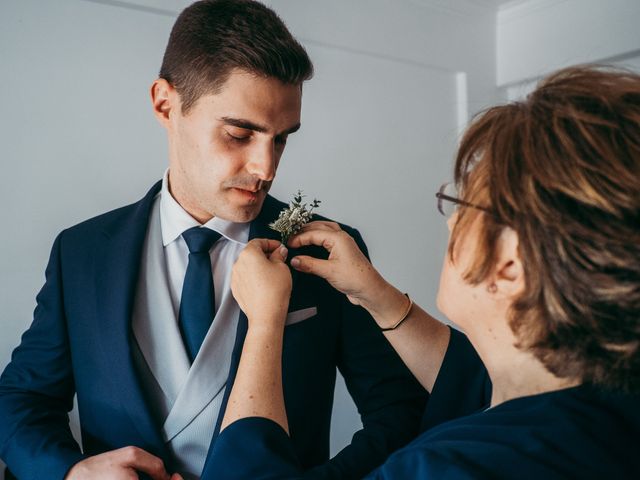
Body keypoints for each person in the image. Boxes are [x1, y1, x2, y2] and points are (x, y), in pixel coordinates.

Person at [0, 1, 427, 479]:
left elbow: (400, 413)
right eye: (240, 133)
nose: (266, 168)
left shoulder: (327, 250)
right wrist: (71, 473)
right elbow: (23, 397)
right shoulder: (80, 253)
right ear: (166, 104)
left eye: (281, 138)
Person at [206, 66, 640, 478]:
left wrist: (264, 323)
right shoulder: (614, 410)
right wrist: (375, 294)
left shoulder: (444, 468)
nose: (450, 221)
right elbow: (477, 382)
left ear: (509, 266)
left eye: (465, 206)